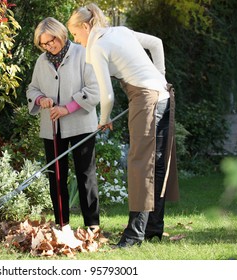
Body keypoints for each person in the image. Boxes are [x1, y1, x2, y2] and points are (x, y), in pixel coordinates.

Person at [67, 3, 179, 247]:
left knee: (139, 164)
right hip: (162, 96)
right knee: (156, 164)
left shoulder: (97, 46)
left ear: (86, 26)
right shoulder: (121, 31)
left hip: (146, 99)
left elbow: (107, 97)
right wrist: (160, 77)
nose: (76, 40)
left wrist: (103, 119)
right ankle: (153, 228)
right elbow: (156, 43)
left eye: (76, 34)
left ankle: (133, 235)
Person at [26, 17, 101, 233]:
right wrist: (41, 100)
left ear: (60, 35)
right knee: (56, 176)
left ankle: (92, 227)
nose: (49, 47)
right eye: (44, 44)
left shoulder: (82, 53)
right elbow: (32, 89)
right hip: (52, 128)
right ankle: (62, 225)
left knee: (85, 174)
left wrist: (67, 108)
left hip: (81, 125)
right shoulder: (42, 61)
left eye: (52, 41)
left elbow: (94, 89)